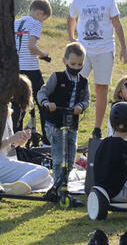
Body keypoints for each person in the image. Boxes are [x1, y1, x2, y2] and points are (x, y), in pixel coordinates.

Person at [68, 0, 127, 140]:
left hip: (104, 49)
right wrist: (72, 38)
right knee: (77, 85)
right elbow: (71, 18)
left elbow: (117, 24)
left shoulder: (108, 0)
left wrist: (124, 48)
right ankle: (73, 122)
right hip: (83, 50)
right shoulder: (77, 1)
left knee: (101, 88)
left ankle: (97, 128)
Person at [37, 42, 90, 198]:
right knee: (60, 157)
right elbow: (42, 93)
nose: (76, 67)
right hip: (55, 123)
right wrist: (47, 103)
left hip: (71, 124)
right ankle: (59, 189)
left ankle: (62, 186)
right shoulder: (56, 77)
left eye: (80, 64)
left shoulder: (83, 82)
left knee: (70, 157)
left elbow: (86, 100)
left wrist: (81, 106)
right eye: (72, 63)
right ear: (65, 61)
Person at [0, 75, 52, 195]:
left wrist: (19, 142)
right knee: (42, 171)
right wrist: (12, 138)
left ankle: (7, 185)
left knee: (48, 180)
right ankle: (8, 188)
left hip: (5, 161)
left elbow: (8, 149)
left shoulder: (8, 112)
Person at [13, 0, 52, 137]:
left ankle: (15, 138)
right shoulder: (36, 23)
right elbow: (31, 46)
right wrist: (43, 54)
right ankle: (47, 138)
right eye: (43, 19)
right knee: (42, 101)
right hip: (31, 69)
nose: (42, 22)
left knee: (18, 103)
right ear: (40, 13)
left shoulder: (15, 23)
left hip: (16, 68)